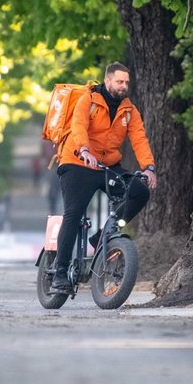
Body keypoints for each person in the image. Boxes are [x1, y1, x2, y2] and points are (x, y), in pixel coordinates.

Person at [51, 62, 157, 292]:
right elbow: (78, 126)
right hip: (78, 162)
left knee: (139, 191)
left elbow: (139, 139)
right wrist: (84, 150)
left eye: (126, 82)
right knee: (73, 214)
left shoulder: (129, 110)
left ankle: (101, 236)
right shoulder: (88, 101)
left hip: (106, 165)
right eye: (119, 81)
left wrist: (149, 168)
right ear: (107, 81)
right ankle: (59, 274)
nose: (124, 86)